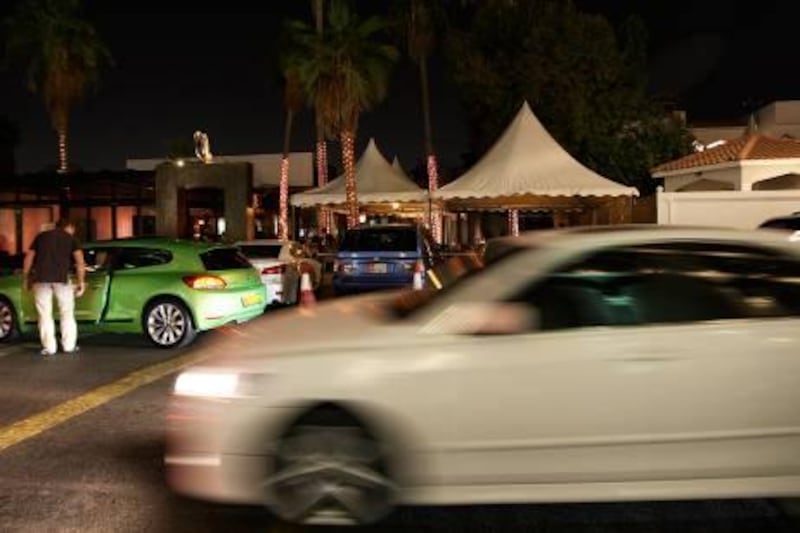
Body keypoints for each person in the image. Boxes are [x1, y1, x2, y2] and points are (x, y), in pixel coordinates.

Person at [22, 218, 86, 356]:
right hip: (62, 279)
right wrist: (81, 282)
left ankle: (49, 348)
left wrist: (26, 277)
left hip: (40, 280)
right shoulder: (71, 239)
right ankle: (69, 346)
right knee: (67, 313)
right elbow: (80, 262)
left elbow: (29, 258)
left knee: (44, 314)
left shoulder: (41, 237)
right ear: (69, 227)